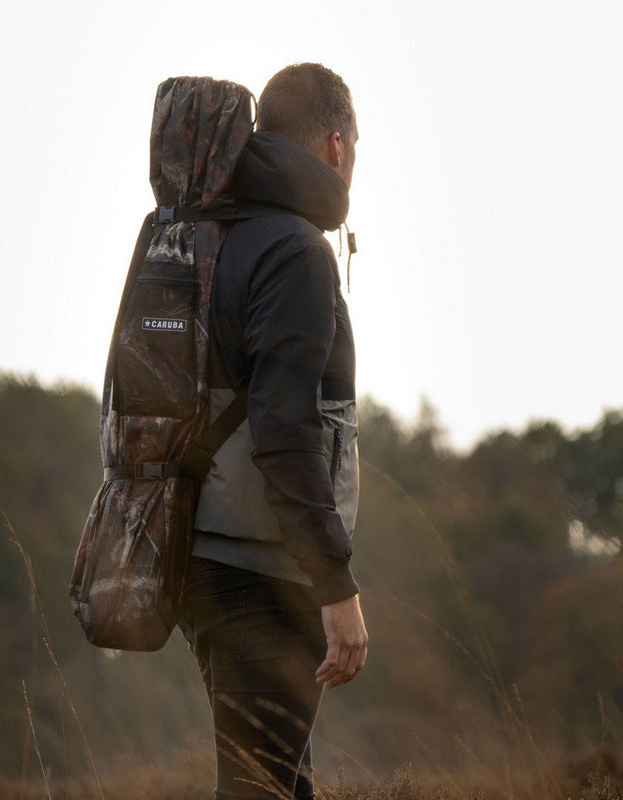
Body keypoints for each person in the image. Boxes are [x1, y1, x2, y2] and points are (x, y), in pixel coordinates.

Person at [178, 63, 369, 800]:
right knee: (260, 788)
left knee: (278, 783)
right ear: (336, 145)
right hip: (262, 568)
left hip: (198, 553)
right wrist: (335, 584)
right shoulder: (295, 250)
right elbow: (285, 430)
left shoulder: (204, 233)